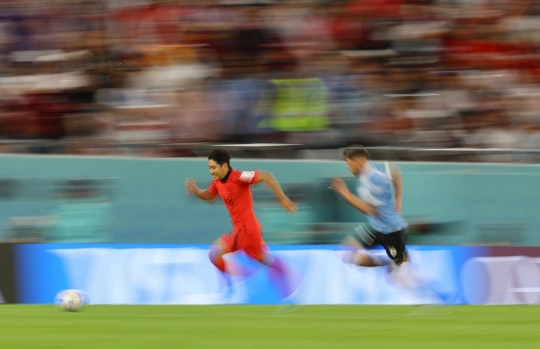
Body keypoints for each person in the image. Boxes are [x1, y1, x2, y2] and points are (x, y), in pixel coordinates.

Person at [185, 148, 298, 301]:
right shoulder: (217, 181)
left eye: (214, 167)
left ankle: (232, 286)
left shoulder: (239, 177)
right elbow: (210, 196)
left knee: (215, 253)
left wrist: (282, 198)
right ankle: (290, 284)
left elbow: (267, 176)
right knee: (265, 259)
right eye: (209, 168)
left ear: (224, 166)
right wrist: (197, 191)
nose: (211, 171)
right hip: (247, 230)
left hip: (246, 230)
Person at [330, 145, 408, 270]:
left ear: (357, 162)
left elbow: (371, 210)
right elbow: (396, 171)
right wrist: (398, 199)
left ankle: (394, 264)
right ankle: (385, 263)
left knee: (401, 271)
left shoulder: (374, 180)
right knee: (346, 252)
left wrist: (346, 194)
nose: (347, 166)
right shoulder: (370, 174)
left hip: (391, 232)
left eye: (348, 163)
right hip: (377, 228)